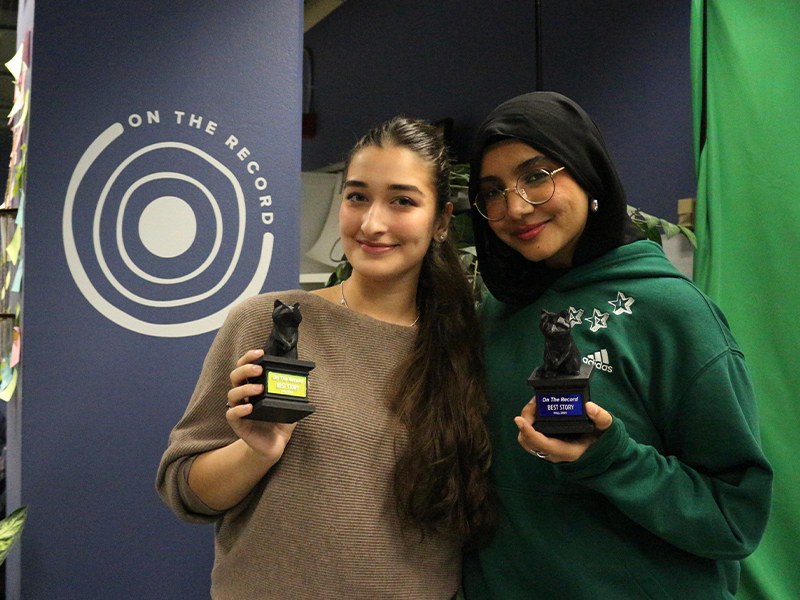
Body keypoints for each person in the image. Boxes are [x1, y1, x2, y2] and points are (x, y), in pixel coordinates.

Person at [157, 117, 495, 600]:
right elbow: (184, 491)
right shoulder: (268, 322)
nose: (372, 222)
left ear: (441, 221)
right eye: (357, 196)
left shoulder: (467, 346)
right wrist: (255, 451)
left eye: (402, 201)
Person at [461, 92, 772, 600]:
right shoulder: (492, 316)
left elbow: (733, 519)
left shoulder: (672, 314)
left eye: (537, 176)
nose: (514, 208)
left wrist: (612, 457)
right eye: (492, 191)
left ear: (587, 172)